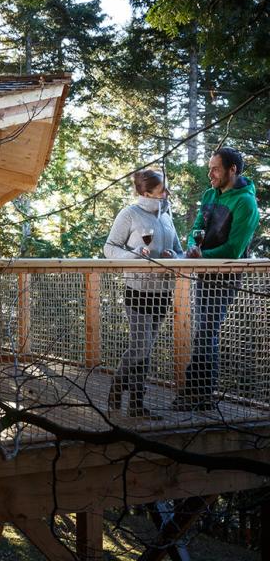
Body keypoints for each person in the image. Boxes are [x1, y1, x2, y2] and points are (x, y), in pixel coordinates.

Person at [173, 147, 260, 411]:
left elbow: (234, 250)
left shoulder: (246, 202)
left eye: (215, 168)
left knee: (206, 332)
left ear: (232, 169)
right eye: (210, 168)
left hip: (225, 276)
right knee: (204, 332)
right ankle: (198, 395)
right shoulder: (210, 194)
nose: (210, 173)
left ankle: (198, 394)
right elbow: (196, 229)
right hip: (204, 271)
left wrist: (203, 255)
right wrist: (192, 248)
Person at [104, 169, 183, 418]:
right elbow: (109, 248)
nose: (167, 192)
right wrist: (134, 254)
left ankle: (136, 405)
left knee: (146, 349)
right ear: (146, 192)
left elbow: (179, 251)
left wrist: (175, 256)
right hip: (137, 289)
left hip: (163, 291)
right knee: (140, 346)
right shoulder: (129, 214)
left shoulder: (167, 216)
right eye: (162, 189)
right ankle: (117, 388)